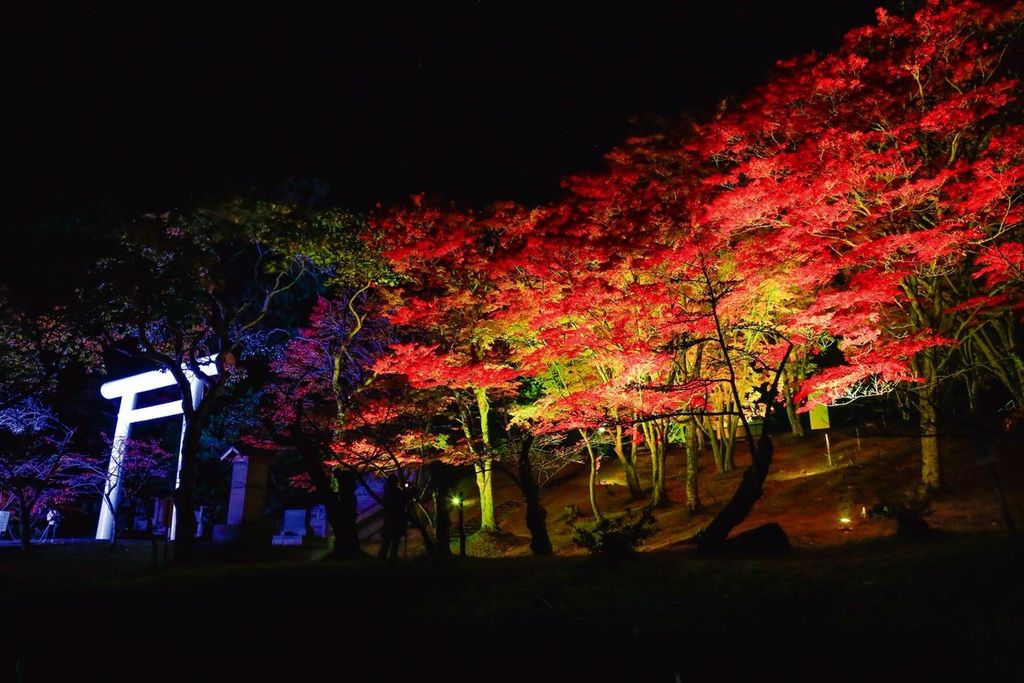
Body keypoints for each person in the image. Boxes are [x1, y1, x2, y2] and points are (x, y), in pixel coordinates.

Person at [378, 474, 409, 559]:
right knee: (393, 543)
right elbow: (404, 502)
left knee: (386, 543)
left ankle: (382, 559)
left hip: (390, 521)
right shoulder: (396, 493)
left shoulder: (388, 492)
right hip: (396, 521)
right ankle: (391, 560)